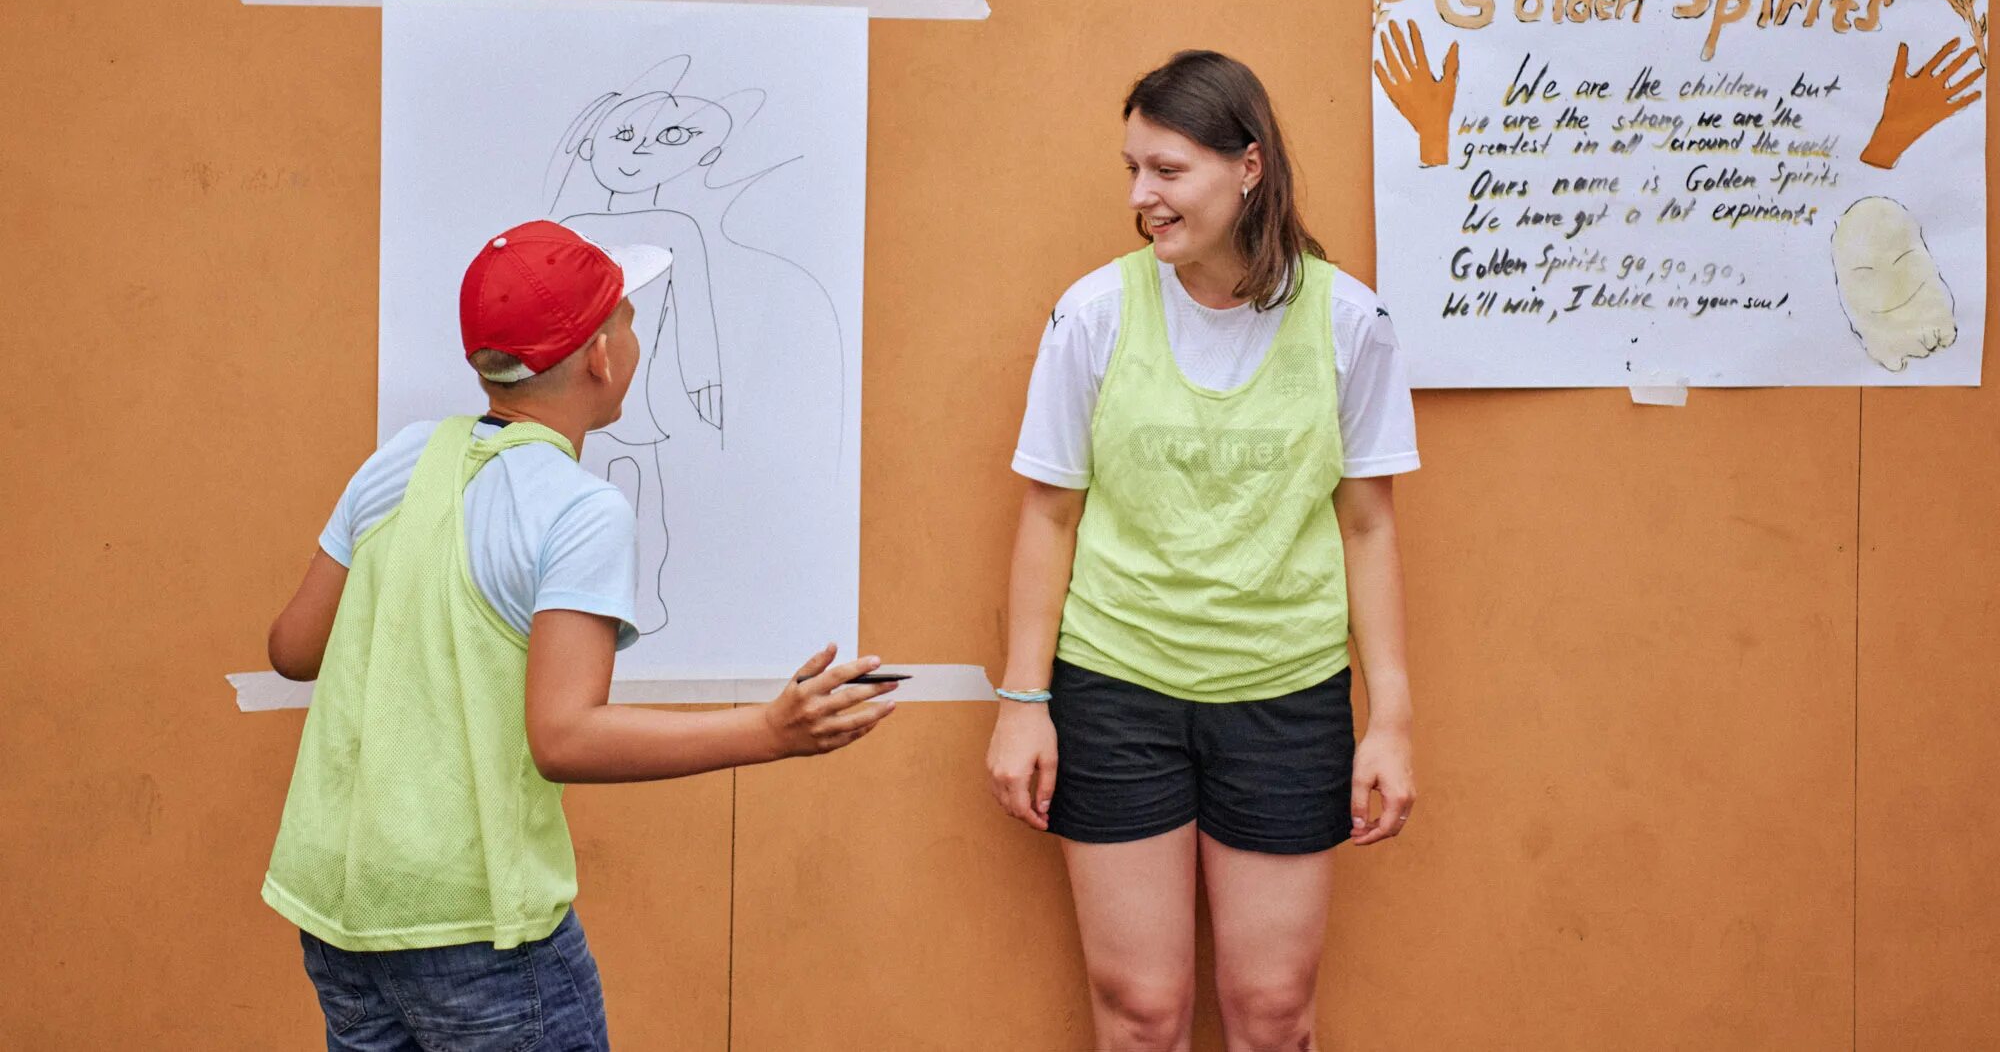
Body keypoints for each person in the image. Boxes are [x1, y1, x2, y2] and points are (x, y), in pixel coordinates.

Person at [262, 219, 896, 1051]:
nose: (637, 335)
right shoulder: (577, 508)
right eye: (628, 319)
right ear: (601, 356)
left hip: (342, 917)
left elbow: (293, 649)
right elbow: (563, 736)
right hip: (478, 925)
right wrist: (768, 731)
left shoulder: (402, 458)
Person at [985, 52, 1420, 1052]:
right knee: (1140, 1014)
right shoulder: (1093, 313)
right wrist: (1021, 702)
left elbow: (1367, 524)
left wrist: (1388, 715)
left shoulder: (1349, 323)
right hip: (1116, 684)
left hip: (1286, 692)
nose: (1142, 196)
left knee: (1272, 1013)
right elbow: (1047, 514)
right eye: (1133, 168)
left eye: (1168, 170)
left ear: (1248, 167)